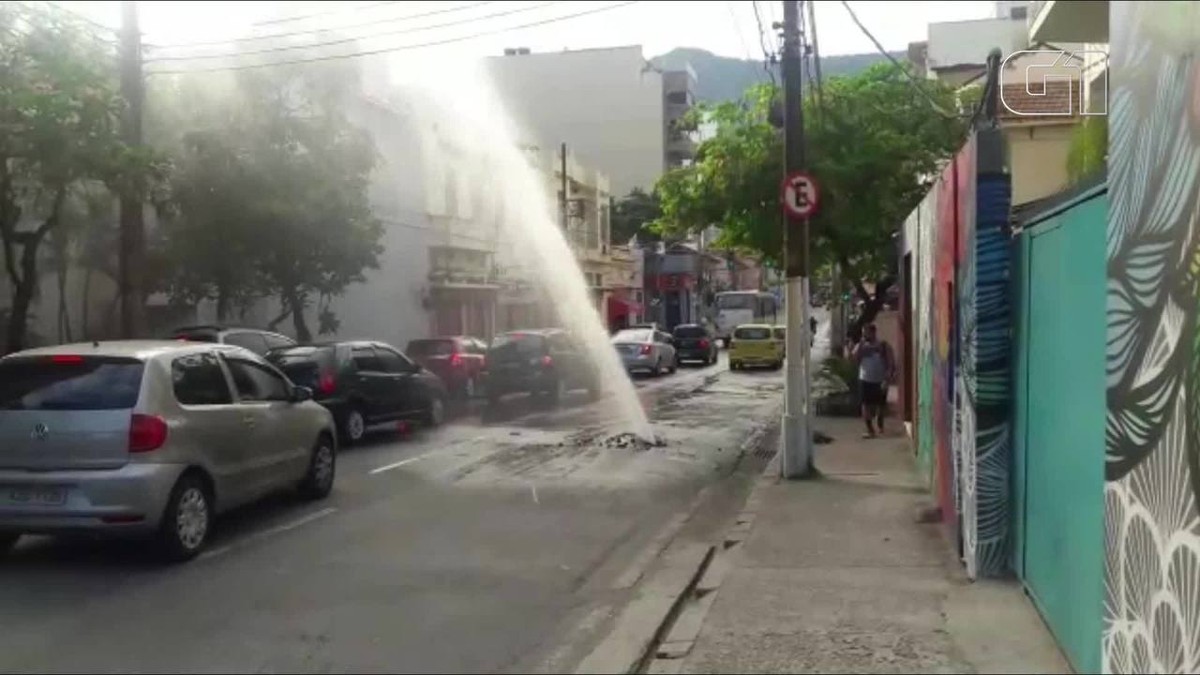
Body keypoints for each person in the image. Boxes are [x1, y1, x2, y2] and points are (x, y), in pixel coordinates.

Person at [851, 323, 894, 438]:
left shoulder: (883, 345)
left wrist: (887, 378)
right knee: (865, 405)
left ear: (873, 332)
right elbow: (853, 357)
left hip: (880, 380)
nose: (865, 335)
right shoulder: (861, 346)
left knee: (880, 406)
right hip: (865, 379)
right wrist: (860, 345)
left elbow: (890, 362)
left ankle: (880, 426)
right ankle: (870, 429)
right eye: (863, 333)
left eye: (867, 332)